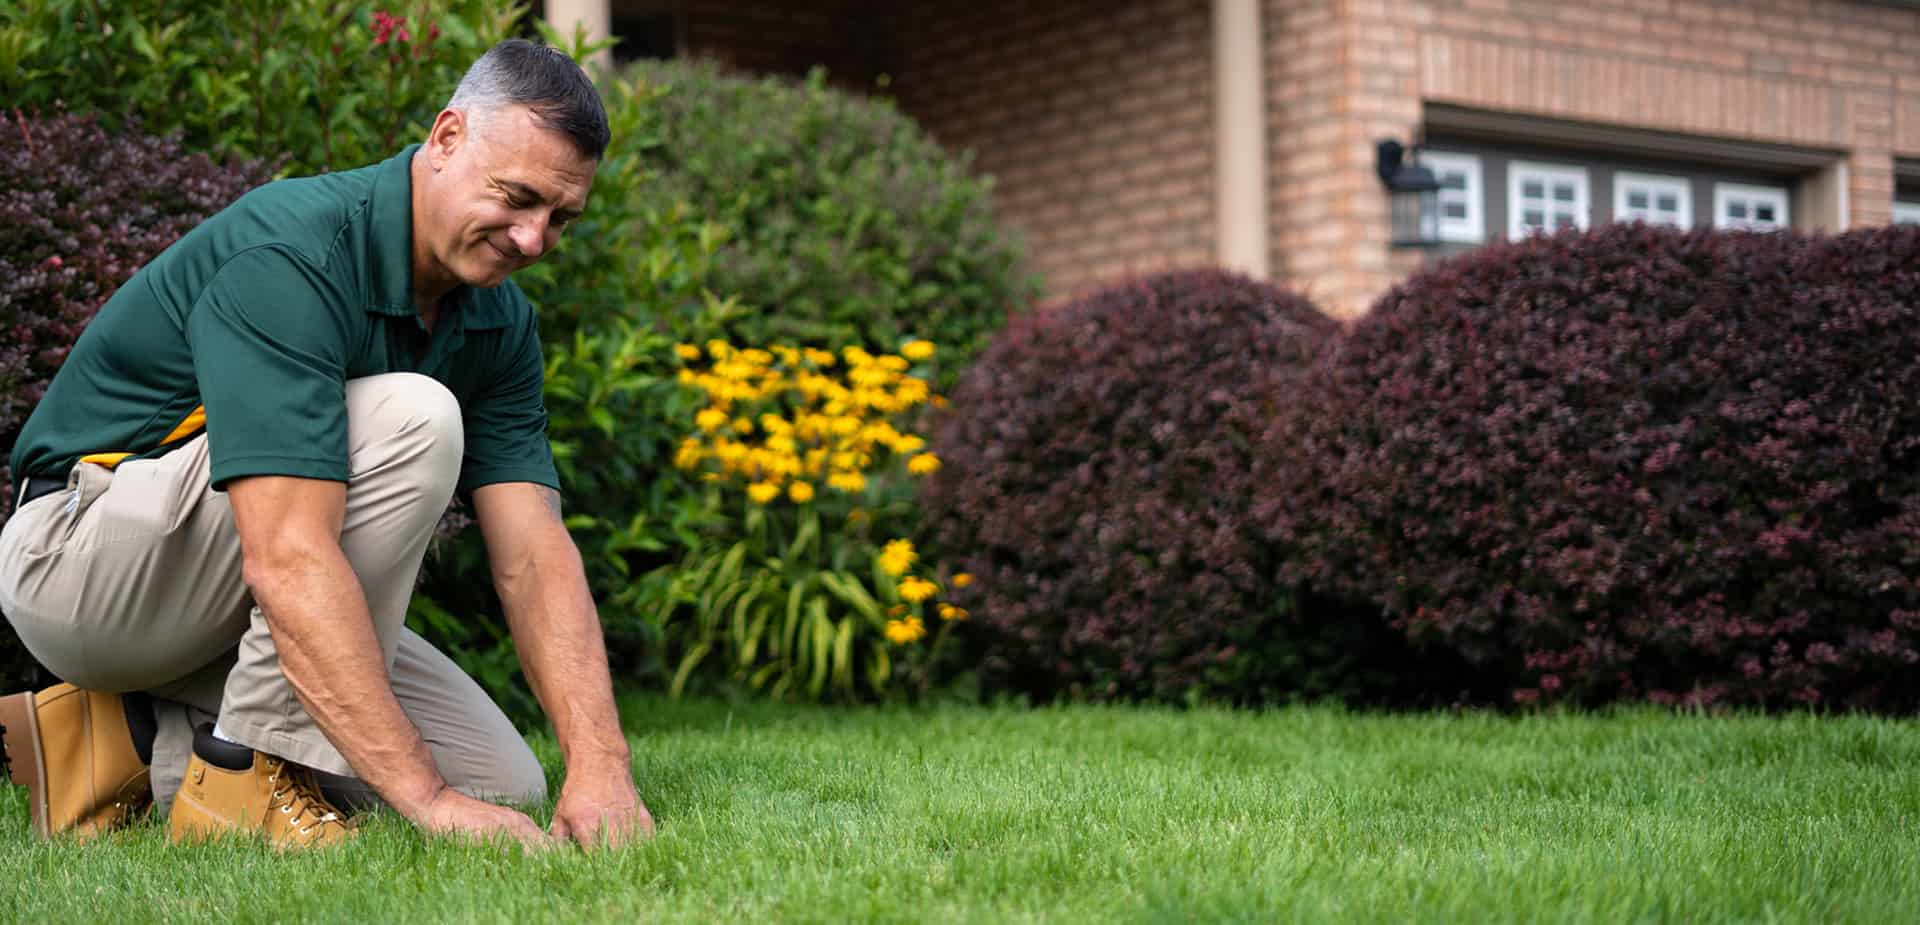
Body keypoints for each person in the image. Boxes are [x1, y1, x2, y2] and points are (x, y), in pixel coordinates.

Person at [0, 38, 652, 850]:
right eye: (517, 198)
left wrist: (601, 766)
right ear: (446, 139)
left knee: (500, 777)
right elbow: (287, 556)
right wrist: (428, 799)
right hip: (77, 558)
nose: (532, 240)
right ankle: (243, 769)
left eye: (561, 217)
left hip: (204, 594)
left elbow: (534, 552)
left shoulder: (498, 320)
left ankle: (115, 736)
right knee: (416, 417)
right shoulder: (297, 254)